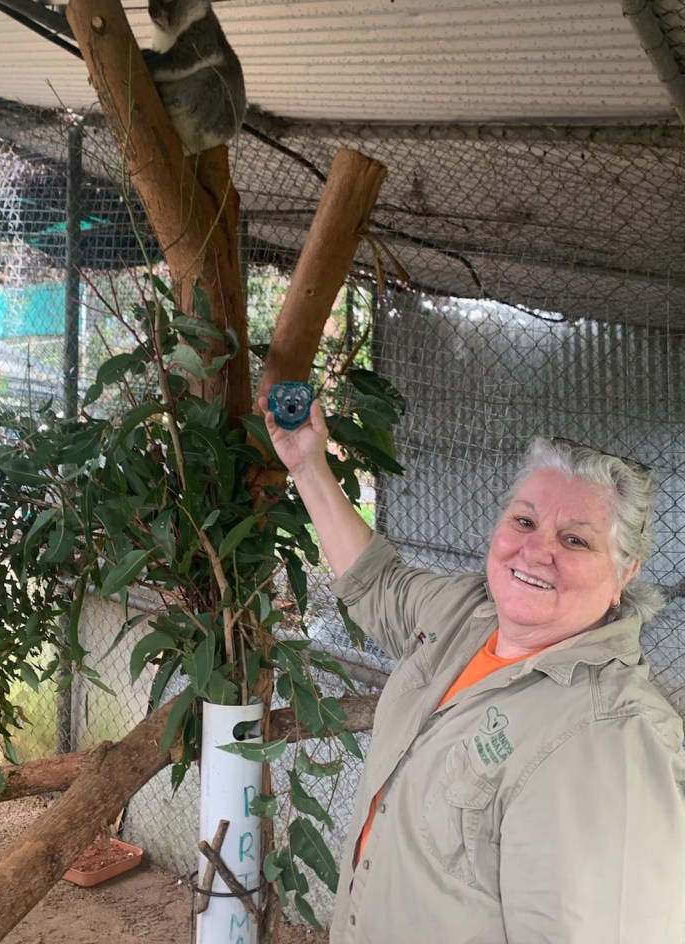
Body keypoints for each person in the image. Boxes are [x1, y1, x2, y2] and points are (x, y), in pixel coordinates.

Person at [261, 396, 685, 943]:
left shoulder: (612, 738)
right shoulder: (465, 613)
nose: (535, 551)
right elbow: (376, 580)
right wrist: (308, 466)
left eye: (575, 540)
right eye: (524, 521)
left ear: (625, 571)